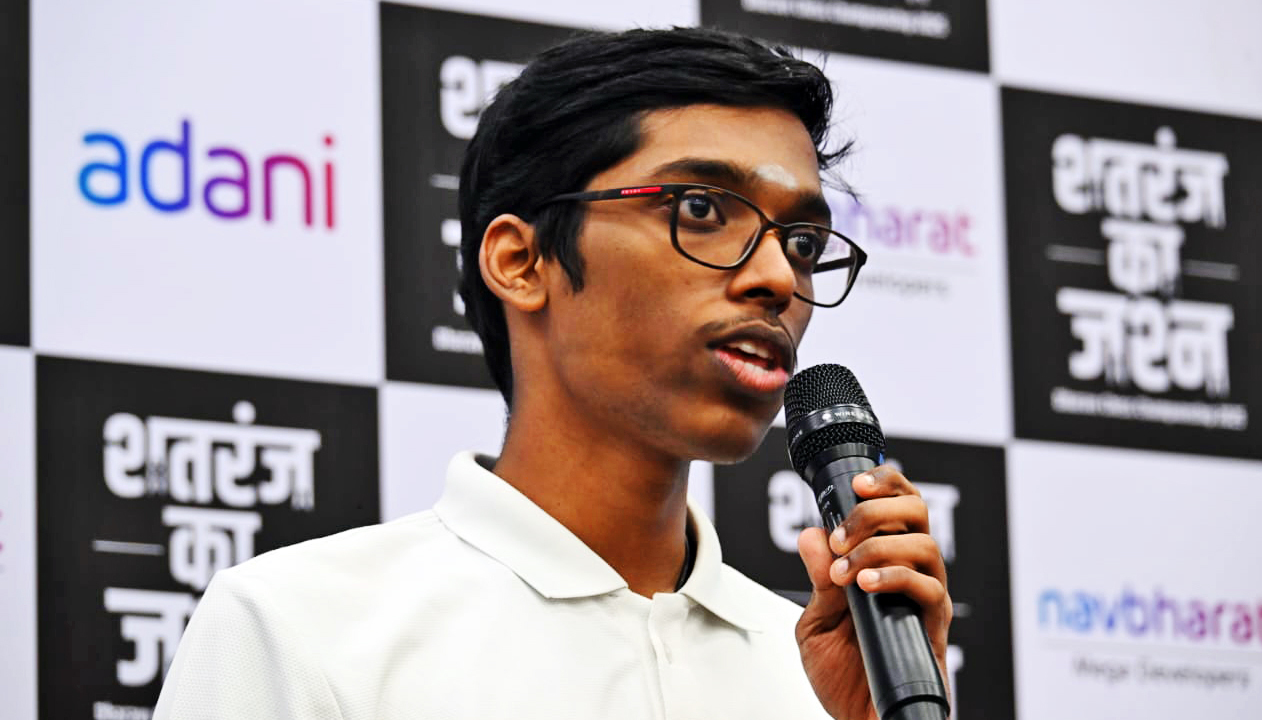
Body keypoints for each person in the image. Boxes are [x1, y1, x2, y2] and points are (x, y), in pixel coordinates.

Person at [155, 27, 951, 720]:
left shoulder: (825, 672)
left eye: (805, 242)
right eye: (703, 210)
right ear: (521, 261)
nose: (780, 276)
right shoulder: (299, 630)